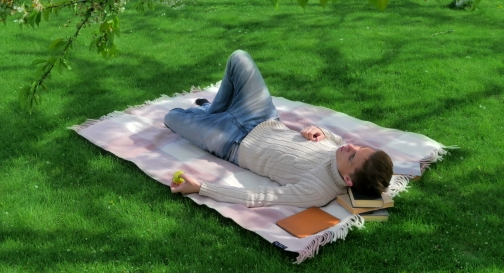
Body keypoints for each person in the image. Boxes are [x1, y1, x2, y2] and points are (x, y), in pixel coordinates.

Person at [164, 50, 393, 208]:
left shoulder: (318, 191)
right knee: (239, 58)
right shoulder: (340, 148)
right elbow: (337, 138)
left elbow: (259, 196)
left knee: (172, 117)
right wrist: (322, 132)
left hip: (230, 142)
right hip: (262, 117)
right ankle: (214, 111)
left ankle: (213, 112)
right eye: (359, 147)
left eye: (353, 155)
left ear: (349, 180)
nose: (349, 145)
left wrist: (200, 188)